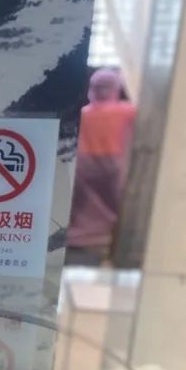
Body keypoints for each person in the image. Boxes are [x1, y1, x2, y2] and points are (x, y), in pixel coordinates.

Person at [66, 68, 137, 266]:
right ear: (116, 89)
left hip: (83, 165)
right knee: (111, 208)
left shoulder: (82, 114)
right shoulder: (128, 111)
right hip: (114, 165)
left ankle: (81, 240)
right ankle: (104, 243)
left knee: (84, 209)